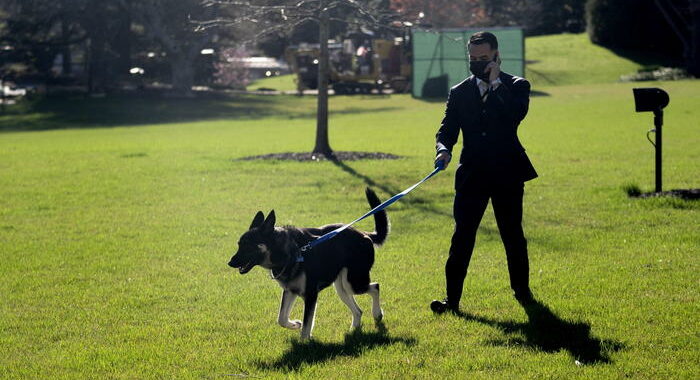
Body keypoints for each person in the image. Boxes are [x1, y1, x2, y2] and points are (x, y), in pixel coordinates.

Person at [431, 31, 538, 313]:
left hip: (507, 172)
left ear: (495, 56)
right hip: (472, 174)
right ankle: (451, 301)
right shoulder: (459, 91)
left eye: (483, 58)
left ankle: (523, 294)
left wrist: (495, 82)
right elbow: (447, 129)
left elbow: (515, 115)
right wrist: (443, 149)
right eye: (473, 58)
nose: (478, 62)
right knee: (462, 235)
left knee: (512, 234)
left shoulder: (517, 86)